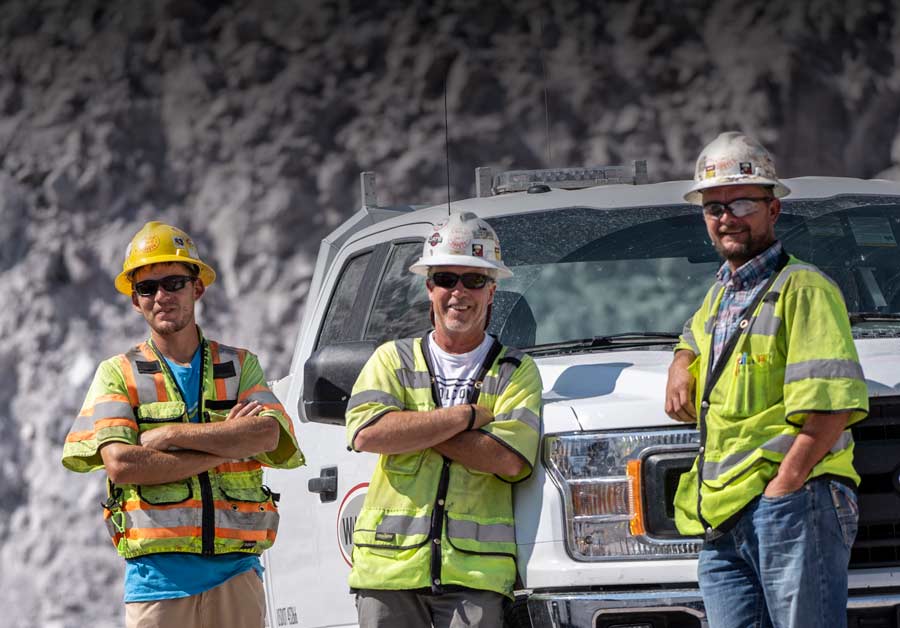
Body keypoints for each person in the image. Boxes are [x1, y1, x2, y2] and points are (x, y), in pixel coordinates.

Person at [665, 132, 869, 627]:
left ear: (773, 209)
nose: (727, 217)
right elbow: (694, 332)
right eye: (714, 207)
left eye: (741, 203)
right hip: (723, 514)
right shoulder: (721, 295)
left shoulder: (804, 289)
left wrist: (785, 484)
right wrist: (680, 360)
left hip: (791, 502)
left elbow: (832, 404)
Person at [62, 221, 304, 628]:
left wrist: (170, 436)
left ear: (198, 288)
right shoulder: (117, 373)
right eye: (147, 288)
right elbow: (121, 463)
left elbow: (267, 434)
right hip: (157, 586)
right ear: (135, 301)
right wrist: (227, 444)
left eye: (174, 283)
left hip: (237, 577)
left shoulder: (240, 365)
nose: (161, 296)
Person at [345, 211, 543, 628]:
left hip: (476, 575)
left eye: (474, 280)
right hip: (388, 570)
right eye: (447, 279)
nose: (459, 292)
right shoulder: (391, 359)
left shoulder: (516, 370)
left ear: (492, 290)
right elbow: (367, 434)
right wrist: (465, 416)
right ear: (428, 287)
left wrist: (409, 428)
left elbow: (508, 459)